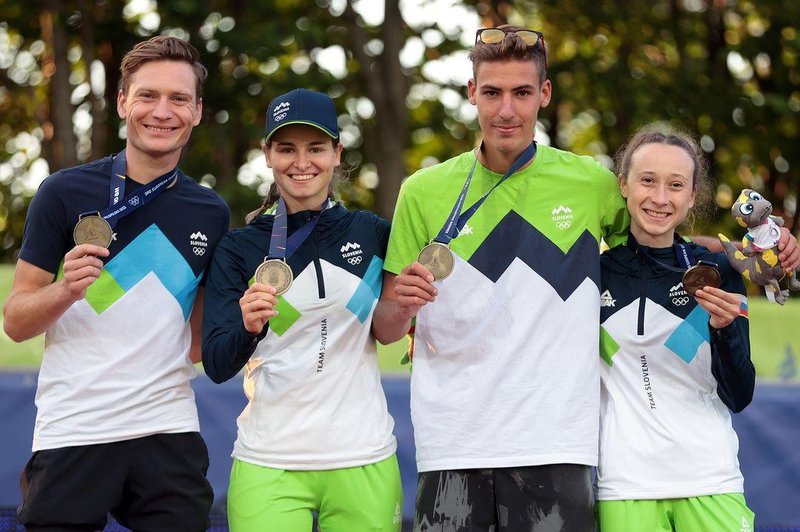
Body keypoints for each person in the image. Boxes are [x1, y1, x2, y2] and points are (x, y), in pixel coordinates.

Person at [371, 25, 800, 531]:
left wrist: (746, 254)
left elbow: (653, 240)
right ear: (472, 93)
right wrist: (404, 304)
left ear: (544, 94)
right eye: (492, 92)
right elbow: (385, 327)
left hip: (559, 444)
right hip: (453, 444)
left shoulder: (592, 183)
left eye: (522, 92)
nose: (506, 109)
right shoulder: (422, 191)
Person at [2, 36, 230, 531]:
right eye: (148, 95)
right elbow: (16, 323)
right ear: (124, 101)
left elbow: (196, 339)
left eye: (178, 99)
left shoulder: (211, 212)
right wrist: (65, 290)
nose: (162, 111)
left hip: (168, 429)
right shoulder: (63, 192)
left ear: (196, 112)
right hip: (74, 428)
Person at [202, 88, 402, 531]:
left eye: (316, 148)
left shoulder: (374, 234)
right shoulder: (239, 248)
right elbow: (216, 363)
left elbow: (391, 326)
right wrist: (248, 325)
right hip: (268, 460)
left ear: (337, 153)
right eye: (286, 149)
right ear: (267, 155)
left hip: (362, 457)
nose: (302, 162)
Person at [596, 125, 755, 531]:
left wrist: (722, 330)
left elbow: (740, 394)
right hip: (625, 485)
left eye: (676, 185)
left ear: (692, 196)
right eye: (647, 181)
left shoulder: (718, 272)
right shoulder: (593, 275)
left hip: (711, 479)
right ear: (623, 185)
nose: (660, 198)